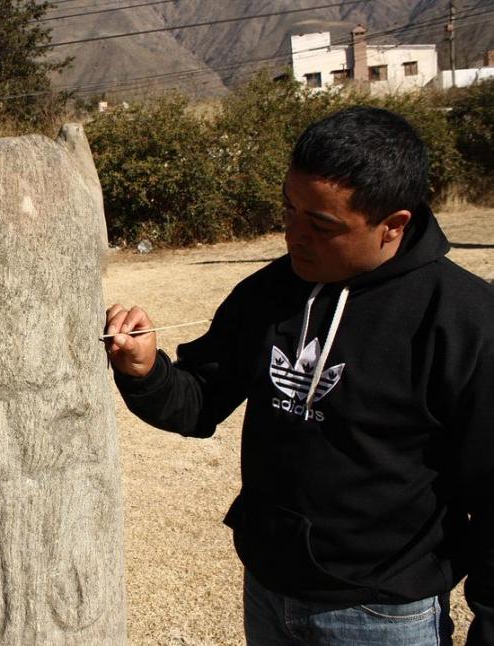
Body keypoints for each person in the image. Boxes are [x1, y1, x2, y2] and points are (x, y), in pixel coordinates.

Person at [105, 106, 494, 645]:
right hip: (268, 590)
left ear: (393, 225)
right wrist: (145, 370)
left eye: (322, 225)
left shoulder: (465, 321)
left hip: (383, 615)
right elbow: (197, 401)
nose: (295, 235)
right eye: (289, 211)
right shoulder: (269, 292)